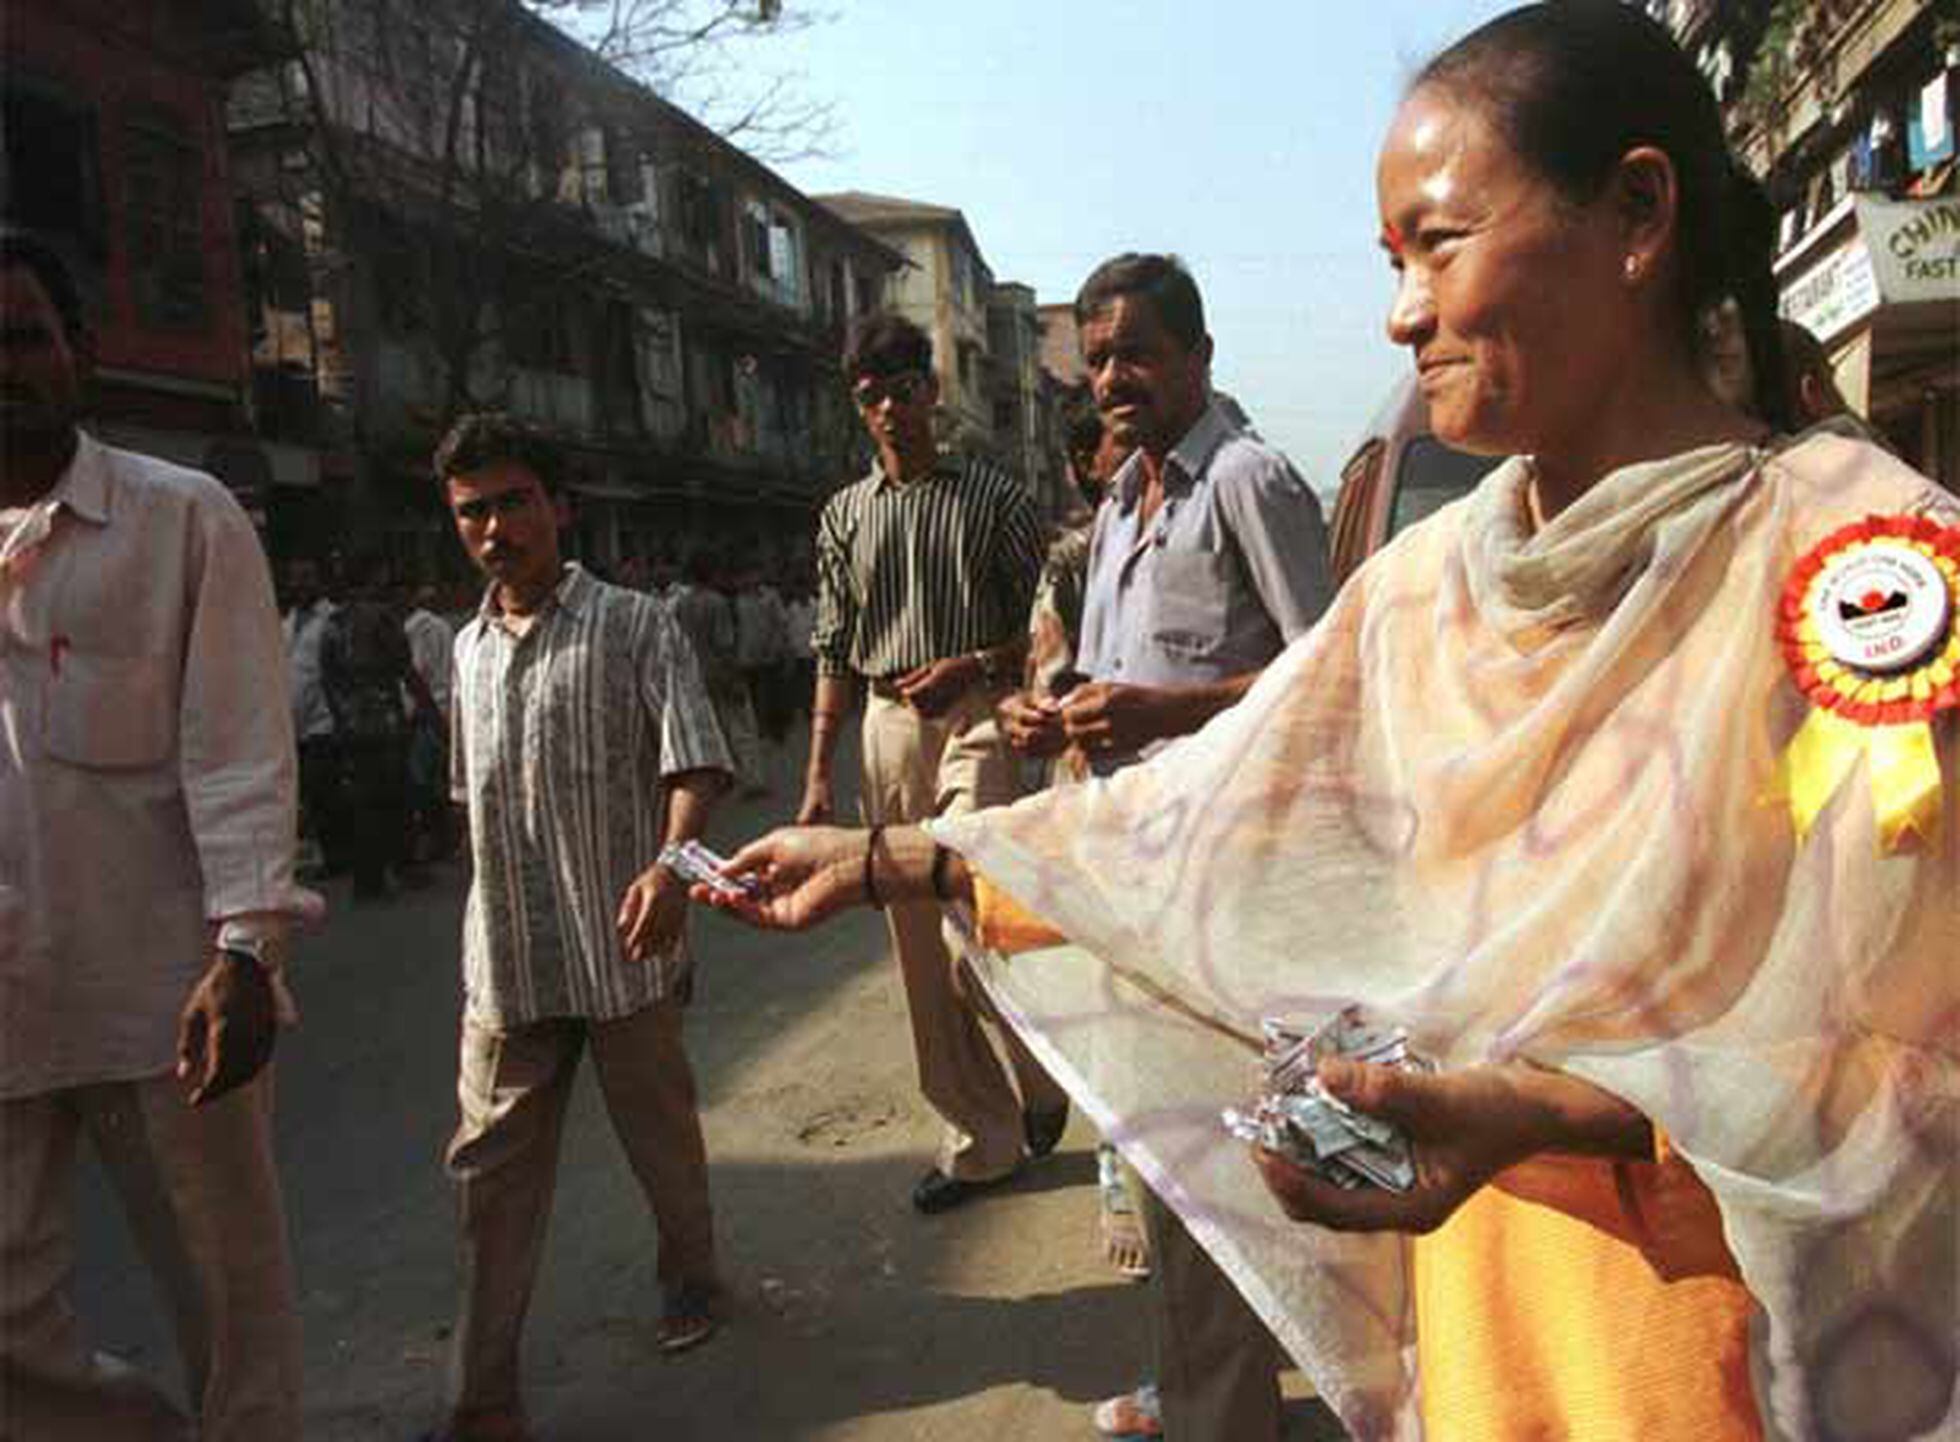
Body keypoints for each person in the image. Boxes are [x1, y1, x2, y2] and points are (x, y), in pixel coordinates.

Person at [695, 5, 1958, 1438]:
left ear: (1639, 212)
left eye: (1440, 242)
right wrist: (892, 859)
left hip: (1736, 1353)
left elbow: (1912, 1047)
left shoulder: (1866, 576)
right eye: (1388, 262)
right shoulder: (1426, 591)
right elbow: (1202, 817)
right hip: (1495, 1339)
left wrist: (1548, 1113)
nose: (1401, 310)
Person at [996, 255, 1332, 1442]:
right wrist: (1059, 711)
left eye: (1134, 352)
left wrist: (1160, 712)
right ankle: (1205, 1387)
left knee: (1212, 1160)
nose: (1112, 379)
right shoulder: (1127, 502)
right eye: (1094, 360)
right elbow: (1104, 676)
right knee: (1169, 1155)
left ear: (1196, 354)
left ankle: (1221, 1410)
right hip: (1134, 873)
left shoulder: (1246, 481)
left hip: (1227, 880)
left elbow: (1322, 678)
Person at [0, 229, 310, 1439]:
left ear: (80, 350)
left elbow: (238, 743)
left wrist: (246, 950)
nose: (2, 365)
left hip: (165, 995)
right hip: (10, 997)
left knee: (232, 1319)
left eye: (23, 337)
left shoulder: (181, 518)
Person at [429, 414, 735, 1442]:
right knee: (486, 1180)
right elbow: (468, 802)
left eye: (514, 500)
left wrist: (669, 866)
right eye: (473, 509)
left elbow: (695, 765)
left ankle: (690, 1274)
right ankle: (483, 1398)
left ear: (557, 504)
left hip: (626, 954)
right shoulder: (464, 650)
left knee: (663, 1141)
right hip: (509, 966)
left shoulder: (636, 624)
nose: (495, 526)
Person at [800, 310, 1069, 1214]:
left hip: (976, 718)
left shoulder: (993, 499)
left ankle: (1044, 1075)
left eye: (904, 390)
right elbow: (832, 648)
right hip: (884, 724)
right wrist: (813, 779)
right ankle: (980, 1140)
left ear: (932, 391)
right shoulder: (843, 516)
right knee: (914, 945)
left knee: (971, 915)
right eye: (870, 396)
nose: (889, 410)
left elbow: (1043, 628)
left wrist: (977, 667)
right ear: (857, 407)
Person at [321, 552, 428, 900]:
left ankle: (369, 878)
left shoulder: (333, 623)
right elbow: (406, 670)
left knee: (363, 802)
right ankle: (403, 866)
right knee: (395, 796)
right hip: (384, 721)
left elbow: (327, 679)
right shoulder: (383, 619)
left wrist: (340, 718)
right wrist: (434, 716)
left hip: (350, 725)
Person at [285, 553, 344, 876]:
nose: (300, 584)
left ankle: (338, 855)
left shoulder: (333, 621)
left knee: (327, 791)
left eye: (306, 577)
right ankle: (326, 851)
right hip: (296, 725)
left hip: (326, 721)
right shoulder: (286, 623)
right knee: (310, 793)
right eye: (295, 578)